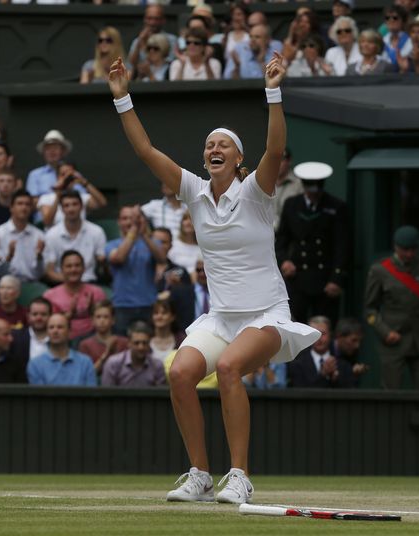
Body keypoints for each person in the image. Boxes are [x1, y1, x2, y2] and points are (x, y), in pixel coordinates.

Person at [108, 53, 319, 504]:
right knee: (181, 372)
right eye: (209, 146)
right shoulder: (193, 191)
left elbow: (276, 150)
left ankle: (239, 475)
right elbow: (146, 150)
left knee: (228, 370)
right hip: (221, 318)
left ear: (239, 159)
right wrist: (123, 97)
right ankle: (200, 474)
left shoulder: (257, 193)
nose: (214, 149)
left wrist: (274, 91)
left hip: (266, 315)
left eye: (224, 145)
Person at [364, 225, 419, 390]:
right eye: (405, 250)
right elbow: (369, 310)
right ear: (396, 247)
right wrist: (385, 331)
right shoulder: (380, 270)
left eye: (413, 249)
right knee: (391, 390)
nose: (409, 254)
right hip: (394, 341)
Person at [275, 162, 349, 326]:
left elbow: (342, 246)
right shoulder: (292, 205)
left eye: (317, 188)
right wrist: (284, 261)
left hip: (325, 279)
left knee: (323, 327)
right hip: (298, 277)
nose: (313, 194)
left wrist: (336, 279)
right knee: (295, 325)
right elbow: (281, 240)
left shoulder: (336, 207)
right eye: (309, 189)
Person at [106, 205, 164, 334]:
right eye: (125, 218)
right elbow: (119, 258)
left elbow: (161, 259)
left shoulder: (153, 242)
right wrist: (134, 230)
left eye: (133, 219)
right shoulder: (111, 244)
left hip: (148, 303)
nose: (129, 222)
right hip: (122, 305)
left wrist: (144, 235)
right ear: (119, 222)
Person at [43, 191, 106, 284]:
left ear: (82, 207)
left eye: (75, 204)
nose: (71, 209)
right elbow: (50, 272)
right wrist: (73, 281)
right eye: (66, 205)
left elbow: (102, 264)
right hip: (61, 284)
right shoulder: (51, 235)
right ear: (62, 209)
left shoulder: (97, 232)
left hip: (89, 282)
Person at [43, 250, 107, 341]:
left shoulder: (97, 292)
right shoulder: (50, 295)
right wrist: (69, 314)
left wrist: (92, 310)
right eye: (69, 266)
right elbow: (49, 325)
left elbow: (106, 321)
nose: (73, 269)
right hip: (62, 341)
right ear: (62, 269)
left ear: (84, 268)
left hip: (92, 340)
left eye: (77, 265)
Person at [0, 189, 45, 283]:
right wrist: (9, 257)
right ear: (11, 207)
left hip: (31, 284)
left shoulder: (39, 235)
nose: (24, 207)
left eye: (27, 204)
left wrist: (39, 257)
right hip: (5, 285)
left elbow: (41, 273)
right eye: (20, 203)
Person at [26, 313, 97, 386]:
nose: (55, 331)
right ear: (47, 332)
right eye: (51, 327)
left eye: (60, 327)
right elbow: (39, 396)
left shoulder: (85, 363)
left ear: (69, 331)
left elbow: (91, 395)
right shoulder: (35, 365)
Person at [287, 316, 355, 388]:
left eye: (323, 334)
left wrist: (334, 378)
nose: (319, 338)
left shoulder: (343, 364)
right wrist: (323, 375)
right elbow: (300, 393)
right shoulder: (298, 365)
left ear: (330, 335)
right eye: (314, 334)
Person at [37, 161, 107, 230]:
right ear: (57, 177)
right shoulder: (46, 198)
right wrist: (58, 196)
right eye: (63, 174)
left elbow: (102, 203)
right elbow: (47, 222)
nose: (67, 178)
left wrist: (84, 182)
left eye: (70, 175)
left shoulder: (82, 197)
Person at [152, 227, 195, 332]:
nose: (159, 246)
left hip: (173, 328)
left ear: (170, 246)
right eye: (156, 242)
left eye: (164, 242)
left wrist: (176, 288)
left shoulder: (179, 271)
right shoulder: (138, 268)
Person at [101, 320, 166, 387]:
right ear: (129, 343)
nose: (141, 347)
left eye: (144, 343)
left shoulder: (157, 366)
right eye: (136, 343)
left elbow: (160, 395)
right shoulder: (113, 364)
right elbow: (106, 394)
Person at [26, 130, 82, 200]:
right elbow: (32, 202)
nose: (52, 151)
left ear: (63, 151)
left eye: (55, 148)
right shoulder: (34, 175)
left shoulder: (74, 174)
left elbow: (84, 199)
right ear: (43, 153)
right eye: (48, 149)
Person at [78, 300, 129, 374]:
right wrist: (106, 353)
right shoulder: (85, 345)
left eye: (106, 317)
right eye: (98, 317)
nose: (102, 321)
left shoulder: (124, 343)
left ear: (113, 320)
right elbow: (87, 374)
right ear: (92, 320)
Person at [11, 297, 51, 363]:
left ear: (50, 316)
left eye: (43, 314)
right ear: (28, 316)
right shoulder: (15, 338)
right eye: (35, 314)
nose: (39, 318)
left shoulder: (58, 338)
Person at [331, 317, 368, 382]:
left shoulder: (353, 355)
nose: (357, 346)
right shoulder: (324, 350)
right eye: (354, 340)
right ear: (339, 336)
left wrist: (353, 374)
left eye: (359, 341)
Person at [150, 299, 186, 364]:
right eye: (156, 313)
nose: (159, 316)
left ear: (172, 317)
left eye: (164, 313)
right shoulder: (145, 338)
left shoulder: (182, 340)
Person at [168, 212, 201, 278]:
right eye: (185, 219)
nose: (188, 222)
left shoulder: (203, 247)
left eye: (192, 219)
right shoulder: (172, 244)